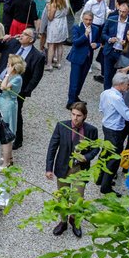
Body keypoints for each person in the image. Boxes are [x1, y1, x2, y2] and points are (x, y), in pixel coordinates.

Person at [45, 101, 99, 237]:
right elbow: (52, 148)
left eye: (78, 115)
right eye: (73, 114)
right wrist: (48, 168)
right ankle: (63, 221)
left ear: (85, 116)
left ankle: (74, 220)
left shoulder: (91, 130)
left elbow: (96, 148)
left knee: (78, 197)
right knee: (62, 196)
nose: (75, 118)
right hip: (63, 168)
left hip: (80, 170)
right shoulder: (61, 126)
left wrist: (86, 157)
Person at [96, 73, 129, 194]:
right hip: (115, 130)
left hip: (106, 126)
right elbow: (128, 116)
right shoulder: (117, 98)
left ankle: (100, 178)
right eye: (127, 84)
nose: (128, 86)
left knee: (105, 153)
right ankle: (106, 186)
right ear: (120, 84)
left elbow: (101, 109)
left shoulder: (105, 93)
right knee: (114, 159)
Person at [0, 55, 24, 166]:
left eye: (9, 64)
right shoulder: (12, 76)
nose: (7, 66)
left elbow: (3, 87)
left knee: (6, 130)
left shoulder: (17, 78)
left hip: (8, 105)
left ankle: (6, 162)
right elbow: (3, 85)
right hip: (3, 102)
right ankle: (9, 157)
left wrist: (7, 74)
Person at [43, 0, 70, 68]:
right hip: (63, 23)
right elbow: (67, 13)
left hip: (54, 24)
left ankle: (49, 65)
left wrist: (48, 9)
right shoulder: (65, 2)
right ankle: (59, 63)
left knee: (51, 44)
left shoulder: (53, 4)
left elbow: (50, 17)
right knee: (60, 44)